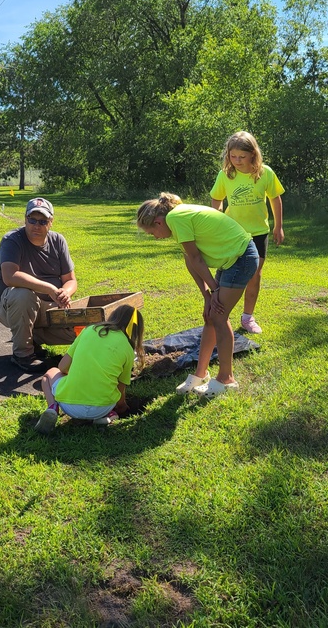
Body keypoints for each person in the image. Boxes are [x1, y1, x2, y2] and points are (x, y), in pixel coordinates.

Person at [137, 192, 258, 397]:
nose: (155, 237)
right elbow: (191, 260)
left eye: (151, 233)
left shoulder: (176, 218)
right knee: (210, 315)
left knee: (218, 316)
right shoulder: (177, 220)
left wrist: (215, 289)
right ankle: (201, 374)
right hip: (230, 260)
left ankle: (227, 379)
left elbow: (196, 258)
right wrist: (207, 295)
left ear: (158, 222)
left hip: (241, 258)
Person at [210, 131, 284, 335]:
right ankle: (218, 314)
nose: (237, 161)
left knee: (254, 275)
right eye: (233, 156)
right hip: (233, 233)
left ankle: (247, 317)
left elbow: (275, 199)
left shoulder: (265, 173)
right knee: (226, 272)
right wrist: (216, 221)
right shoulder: (226, 175)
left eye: (242, 157)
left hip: (258, 233)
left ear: (253, 154)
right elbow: (217, 199)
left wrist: (278, 226)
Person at [0, 197, 78, 372]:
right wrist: (49, 288)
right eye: (32, 220)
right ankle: (23, 354)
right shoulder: (12, 240)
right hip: (11, 306)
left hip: (49, 307)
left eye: (42, 221)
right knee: (23, 295)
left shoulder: (58, 241)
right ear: (25, 219)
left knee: (84, 326)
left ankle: (31, 338)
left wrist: (65, 292)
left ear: (51, 222)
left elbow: (70, 280)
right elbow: (10, 277)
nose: (36, 225)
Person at [34, 304, 145, 434]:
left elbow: (62, 367)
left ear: (113, 316)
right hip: (103, 407)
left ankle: (52, 408)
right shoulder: (127, 349)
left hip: (69, 406)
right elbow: (120, 389)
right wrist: (122, 407)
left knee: (49, 374)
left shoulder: (89, 330)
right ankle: (106, 415)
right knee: (109, 388)